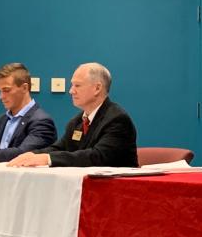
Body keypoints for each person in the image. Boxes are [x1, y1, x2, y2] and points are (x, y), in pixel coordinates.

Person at [8, 62, 137, 168]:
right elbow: (60, 147)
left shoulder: (117, 120)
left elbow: (98, 157)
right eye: (72, 85)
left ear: (97, 88)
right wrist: (32, 154)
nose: (71, 91)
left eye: (77, 85)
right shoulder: (77, 122)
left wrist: (47, 158)